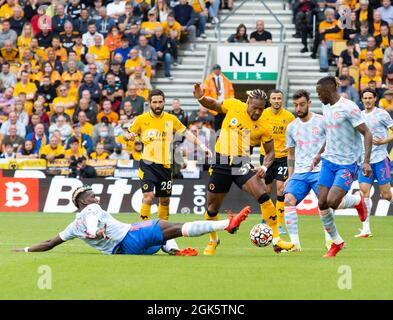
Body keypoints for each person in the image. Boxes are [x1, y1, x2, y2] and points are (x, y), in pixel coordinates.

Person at [193, 83, 294, 255]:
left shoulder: (264, 125)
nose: (257, 112)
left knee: (263, 195)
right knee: (212, 208)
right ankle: (213, 240)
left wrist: (264, 165)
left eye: (261, 109)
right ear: (247, 102)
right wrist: (201, 97)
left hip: (241, 162)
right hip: (221, 161)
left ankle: (276, 241)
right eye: (255, 108)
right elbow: (214, 105)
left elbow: (271, 152)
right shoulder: (234, 105)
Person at [13, 185, 250, 256]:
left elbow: (50, 243)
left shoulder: (73, 226)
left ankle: (172, 251)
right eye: (89, 194)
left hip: (125, 252)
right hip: (129, 236)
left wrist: (24, 249)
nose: (95, 196)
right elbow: (94, 226)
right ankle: (225, 225)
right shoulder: (92, 209)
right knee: (173, 227)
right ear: (83, 201)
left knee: (164, 234)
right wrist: (95, 231)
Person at [284, 89, 370, 251]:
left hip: (321, 168)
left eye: (302, 104)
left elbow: (335, 139)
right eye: (296, 105)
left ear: (309, 103)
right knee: (288, 200)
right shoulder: (291, 127)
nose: (299, 108)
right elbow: (291, 154)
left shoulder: (322, 121)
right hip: (301, 172)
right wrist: (291, 175)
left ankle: (331, 240)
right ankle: (295, 244)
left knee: (329, 204)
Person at [124, 89, 212, 224]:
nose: (158, 105)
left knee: (164, 201)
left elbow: (186, 133)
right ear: (149, 103)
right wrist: (129, 136)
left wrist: (202, 145)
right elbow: (128, 134)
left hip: (165, 165)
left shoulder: (171, 119)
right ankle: (145, 229)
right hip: (147, 164)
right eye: (155, 102)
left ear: (164, 102)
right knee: (148, 196)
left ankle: (162, 231)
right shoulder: (141, 120)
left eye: (160, 102)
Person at [313, 76, 372, 257]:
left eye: (319, 92)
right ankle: (337, 242)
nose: (318, 95)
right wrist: (319, 153)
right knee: (322, 203)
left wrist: (366, 161)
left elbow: (367, 133)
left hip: (347, 163)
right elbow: (331, 133)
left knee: (332, 201)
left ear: (329, 90)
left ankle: (357, 201)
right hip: (329, 161)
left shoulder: (349, 107)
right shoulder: (325, 106)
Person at [357, 88, 393, 238]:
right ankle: (366, 229)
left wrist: (384, 141)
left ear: (375, 99)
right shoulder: (358, 116)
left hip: (380, 160)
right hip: (364, 162)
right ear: (361, 100)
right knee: (364, 192)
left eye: (370, 98)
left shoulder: (382, 114)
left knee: (386, 195)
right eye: (365, 98)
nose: (367, 100)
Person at [260, 90, 295, 234]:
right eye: (274, 98)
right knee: (266, 190)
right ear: (269, 100)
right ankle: (266, 218)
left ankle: (278, 223)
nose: (276, 101)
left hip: (283, 157)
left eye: (279, 98)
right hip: (267, 156)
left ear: (282, 100)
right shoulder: (263, 114)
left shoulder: (289, 117)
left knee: (281, 188)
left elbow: (294, 135)